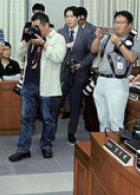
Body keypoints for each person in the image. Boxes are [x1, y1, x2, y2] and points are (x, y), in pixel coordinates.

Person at [9, 12, 66, 162]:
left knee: (48, 119)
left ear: (46, 25)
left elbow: (59, 57)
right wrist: (26, 40)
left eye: (37, 26)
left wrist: (43, 44)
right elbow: (19, 53)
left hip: (46, 86)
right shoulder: (32, 39)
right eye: (33, 26)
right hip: (29, 84)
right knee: (26, 118)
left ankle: (46, 146)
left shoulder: (58, 38)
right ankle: (23, 149)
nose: (35, 29)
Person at [91, 10, 140, 132]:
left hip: (117, 82)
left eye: (121, 22)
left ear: (129, 25)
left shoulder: (134, 41)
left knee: (116, 121)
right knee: (103, 119)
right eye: (116, 22)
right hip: (101, 80)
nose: (117, 25)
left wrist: (119, 44)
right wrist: (98, 38)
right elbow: (94, 50)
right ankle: (105, 146)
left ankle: (117, 147)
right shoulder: (109, 37)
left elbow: (132, 58)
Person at [57, 6, 96, 144]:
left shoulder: (86, 33)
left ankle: (71, 133)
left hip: (79, 73)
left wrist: (82, 64)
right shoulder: (60, 33)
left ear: (78, 18)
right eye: (67, 16)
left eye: (72, 16)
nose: (69, 19)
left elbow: (93, 53)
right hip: (62, 74)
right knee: (56, 105)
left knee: (75, 105)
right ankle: (51, 133)